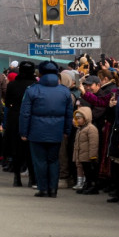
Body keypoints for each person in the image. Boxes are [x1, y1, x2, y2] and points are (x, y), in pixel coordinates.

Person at [19, 61, 73, 197]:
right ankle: (53, 189)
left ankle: (43, 188)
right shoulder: (65, 92)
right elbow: (69, 114)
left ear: (40, 74)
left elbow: (25, 113)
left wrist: (23, 132)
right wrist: (67, 131)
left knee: (40, 160)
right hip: (56, 131)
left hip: (36, 131)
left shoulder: (32, 90)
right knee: (54, 160)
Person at [72, 107, 100, 194]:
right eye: (76, 118)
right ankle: (87, 185)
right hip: (82, 155)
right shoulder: (80, 129)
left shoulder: (91, 129)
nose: (77, 120)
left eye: (79, 118)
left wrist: (93, 156)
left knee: (90, 172)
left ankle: (93, 186)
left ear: (86, 117)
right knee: (86, 172)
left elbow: (94, 144)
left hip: (89, 156)